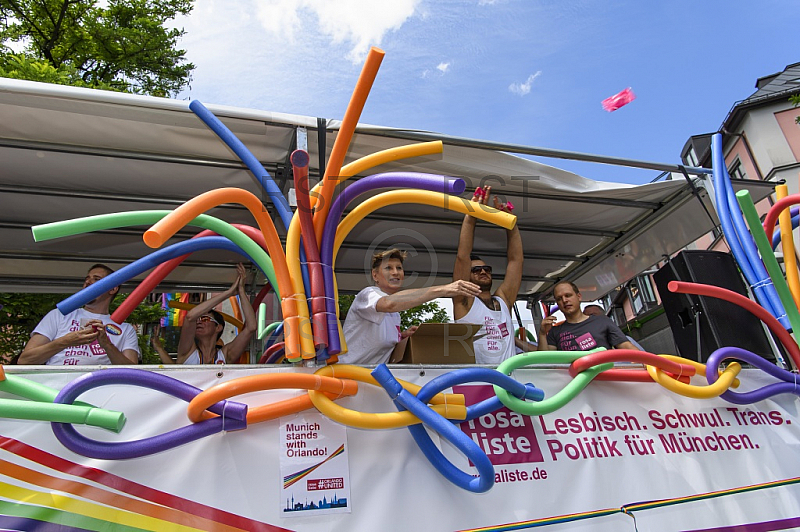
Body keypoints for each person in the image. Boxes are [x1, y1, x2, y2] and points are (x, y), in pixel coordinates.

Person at [340, 248, 481, 365]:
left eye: (399, 268)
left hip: (369, 380)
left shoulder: (396, 315)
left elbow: (378, 342)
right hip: (346, 377)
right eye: (388, 268)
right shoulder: (368, 294)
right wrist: (443, 289)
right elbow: (388, 304)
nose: (395, 272)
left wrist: (403, 336)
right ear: (375, 275)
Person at [452, 186, 523, 364]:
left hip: (509, 381)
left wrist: (510, 224)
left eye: (487, 269)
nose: (483, 271)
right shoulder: (464, 301)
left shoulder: (503, 300)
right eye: (476, 270)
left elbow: (516, 261)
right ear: (466, 276)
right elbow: (462, 256)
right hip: (478, 382)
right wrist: (471, 216)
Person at [19, 264, 139, 365]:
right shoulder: (60, 314)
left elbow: (133, 374)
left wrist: (107, 345)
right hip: (56, 390)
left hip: (98, 390)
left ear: (113, 289)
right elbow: (25, 360)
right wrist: (66, 341)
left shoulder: (125, 329)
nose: (88, 282)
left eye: (96, 279)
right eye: (87, 279)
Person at [175, 263, 256, 364]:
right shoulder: (187, 351)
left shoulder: (225, 355)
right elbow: (190, 317)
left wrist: (241, 291)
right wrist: (228, 293)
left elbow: (251, 327)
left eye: (205, 319)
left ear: (218, 327)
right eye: (199, 320)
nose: (199, 323)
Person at [537, 281, 639, 351]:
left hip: (605, 377)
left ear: (579, 296)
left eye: (568, 295)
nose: (564, 300)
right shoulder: (555, 332)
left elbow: (625, 346)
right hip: (574, 381)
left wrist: (650, 364)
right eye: (559, 298)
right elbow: (545, 362)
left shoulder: (602, 321)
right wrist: (542, 333)